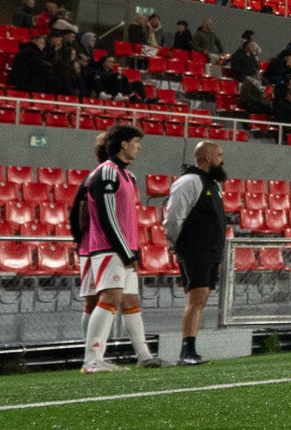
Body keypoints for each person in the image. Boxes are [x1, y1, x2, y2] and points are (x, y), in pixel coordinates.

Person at [75, 124, 159, 371]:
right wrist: (124, 250)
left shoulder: (127, 176)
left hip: (124, 247)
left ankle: (144, 356)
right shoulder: (106, 173)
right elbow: (107, 215)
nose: (138, 146)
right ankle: (92, 360)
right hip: (108, 248)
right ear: (123, 144)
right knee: (110, 297)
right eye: (135, 141)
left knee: (130, 300)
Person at [162, 140, 229, 366]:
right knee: (197, 296)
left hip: (211, 250)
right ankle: (186, 350)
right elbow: (173, 217)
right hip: (194, 248)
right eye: (219, 155)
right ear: (207, 157)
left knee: (202, 297)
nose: (222, 159)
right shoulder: (189, 182)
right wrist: (178, 243)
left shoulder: (213, 184)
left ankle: (191, 348)